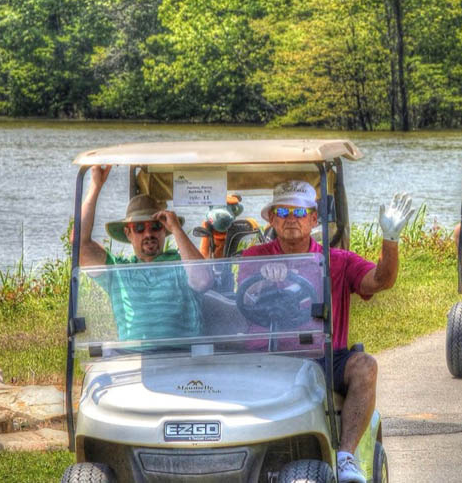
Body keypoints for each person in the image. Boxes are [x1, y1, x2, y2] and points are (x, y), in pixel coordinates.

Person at [242, 180, 413, 483]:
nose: (291, 218)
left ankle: (345, 456)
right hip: (268, 357)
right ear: (272, 219)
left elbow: (380, 280)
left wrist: (390, 240)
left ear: (313, 219)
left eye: (299, 212)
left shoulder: (338, 260)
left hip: (324, 356)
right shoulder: (255, 257)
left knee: (365, 366)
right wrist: (263, 280)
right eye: (283, 211)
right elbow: (245, 297)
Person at [74, 165, 212, 341]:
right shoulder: (118, 271)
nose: (148, 234)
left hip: (183, 353)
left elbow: (203, 281)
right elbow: (80, 245)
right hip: (132, 355)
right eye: (139, 228)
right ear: (128, 233)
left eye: (155, 226)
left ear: (164, 229)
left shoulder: (181, 264)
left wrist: (176, 229)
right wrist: (95, 187)